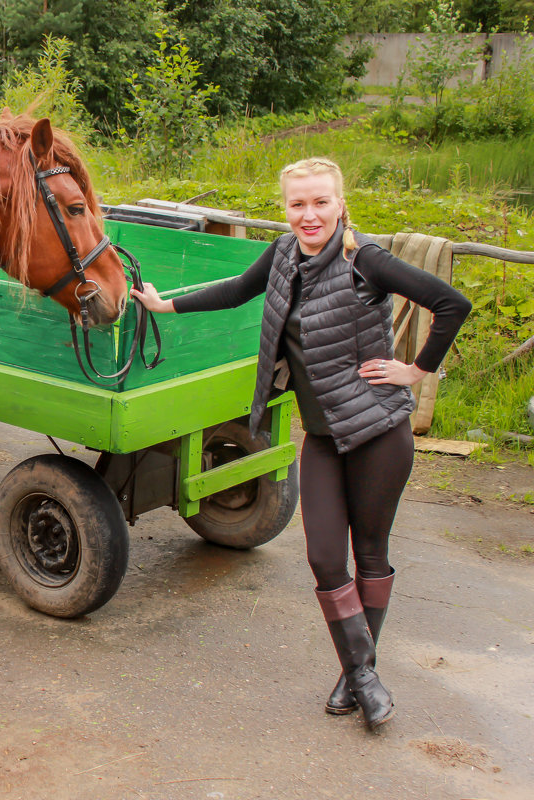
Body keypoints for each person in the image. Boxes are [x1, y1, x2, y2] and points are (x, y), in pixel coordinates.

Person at [131, 157, 471, 731]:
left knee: (369, 553)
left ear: (340, 204)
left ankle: (355, 674)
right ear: (285, 208)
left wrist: (416, 371)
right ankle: (363, 673)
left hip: (378, 433)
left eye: (320, 202)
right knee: (321, 557)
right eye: (297, 204)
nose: (308, 215)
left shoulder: (367, 262)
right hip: (320, 436)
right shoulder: (285, 254)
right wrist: (167, 305)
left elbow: (451, 304)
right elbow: (239, 289)